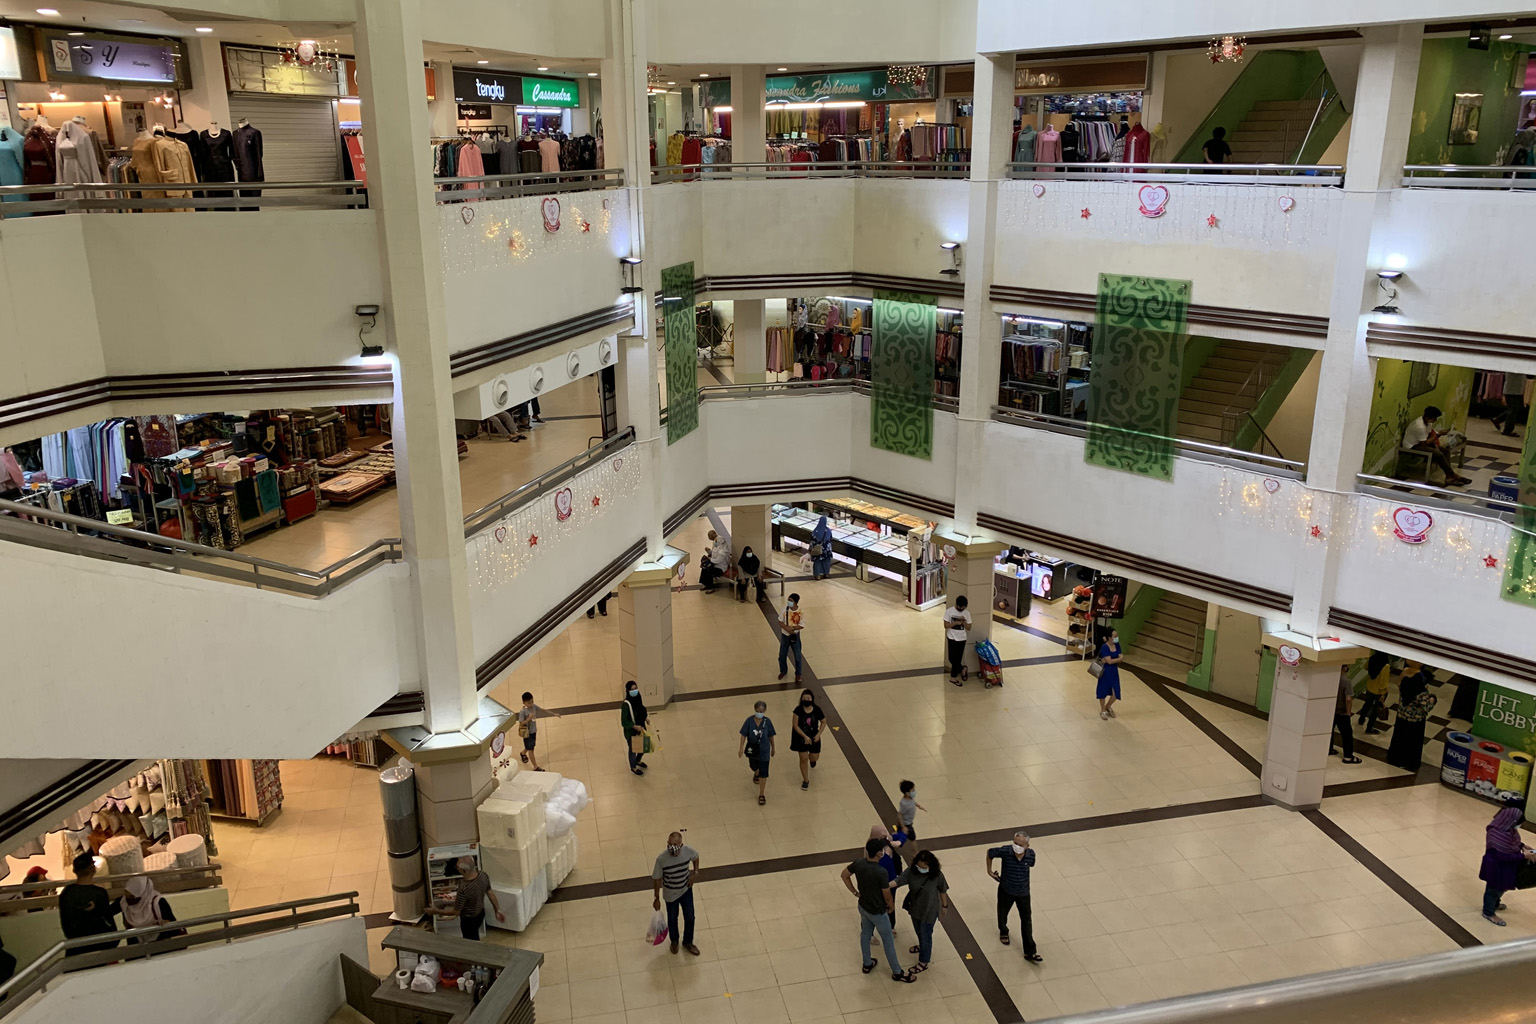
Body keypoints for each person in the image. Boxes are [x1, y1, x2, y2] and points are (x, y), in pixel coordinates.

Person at [841, 838, 917, 983]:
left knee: (865, 934)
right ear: (879, 854)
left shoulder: (858, 863)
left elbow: (844, 875)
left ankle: (867, 963)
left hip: (863, 906)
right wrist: (891, 906)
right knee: (888, 940)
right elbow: (886, 894)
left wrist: (856, 893)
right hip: (877, 912)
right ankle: (897, 972)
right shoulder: (881, 872)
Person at [890, 849, 949, 974]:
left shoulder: (937, 875)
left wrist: (945, 906)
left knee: (926, 935)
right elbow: (899, 880)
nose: (921, 868)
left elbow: (942, 890)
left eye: (924, 867)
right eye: (919, 866)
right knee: (919, 931)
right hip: (915, 908)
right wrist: (884, 885)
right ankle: (922, 946)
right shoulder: (912, 871)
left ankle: (924, 961)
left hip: (929, 911)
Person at [987, 830, 1042, 963]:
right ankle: (1003, 930)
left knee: (1027, 921)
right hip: (1006, 890)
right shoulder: (1006, 851)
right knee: (1002, 913)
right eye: (1015, 843)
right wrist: (989, 871)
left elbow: (1031, 865)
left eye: (1020, 844)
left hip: (1023, 893)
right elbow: (990, 853)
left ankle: (1030, 951)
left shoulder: (1031, 855)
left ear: (1027, 846)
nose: (1016, 846)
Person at [1479, 797, 1535, 926]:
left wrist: (1522, 846)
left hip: (1506, 867)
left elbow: (1513, 842)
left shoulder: (1508, 829)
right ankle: (1488, 912)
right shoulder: (1497, 834)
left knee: (1502, 888)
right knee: (1493, 890)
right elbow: (1503, 856)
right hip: (1497, 867)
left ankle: (1495, 904)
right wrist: (1523, 857)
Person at [429, 855, 504, 940]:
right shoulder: (483, 875)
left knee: (471, 940)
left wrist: (436, 911)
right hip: (480, 913)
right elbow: (490, 893)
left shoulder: (464, 888)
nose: (457, 869)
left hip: (469, 920)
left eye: (458, 867)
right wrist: (497, 909)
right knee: (475, 934)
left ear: (464, 870)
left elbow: (456, 912)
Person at [58, 852, 119, 957]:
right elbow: (108, 921)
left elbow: (66, 923)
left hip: (75, 947)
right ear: (92, 869)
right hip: (99, 946)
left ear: (75, 870)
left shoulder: (67, 892)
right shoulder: (99, 893)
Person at [651, 832, 701, 955]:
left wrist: (695, 873)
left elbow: (696, 857)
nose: (672, 847)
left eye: (675, 844)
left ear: (681, 844)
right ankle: (674, 941)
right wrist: (656, 898)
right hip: (670, 893)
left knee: (690, 917)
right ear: (667, 843)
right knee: (672, 918)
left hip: (685, 890)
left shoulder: (687, 851)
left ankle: (688, 941)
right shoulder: (662, 859)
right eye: (670, 844)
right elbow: (657, 879)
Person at [1403, 406, 1472, 486]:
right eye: (1434, 418)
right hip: (1412, 446)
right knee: (1438, 454)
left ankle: (1449, 476)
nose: (1435, 421)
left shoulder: (1427, 422)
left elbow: (1429, 435)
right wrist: (1438, 435)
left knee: (1445, 451)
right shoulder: (1419, 426)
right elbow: (1424, 444)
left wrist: (1436, 444)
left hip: (1422, 442)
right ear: (1428, 417)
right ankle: (1453, 475)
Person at [1387, 665, 1439, 771]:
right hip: (1415, 721)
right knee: (1412, 743)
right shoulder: (1421, 692)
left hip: (1401, 717)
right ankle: (1408, 762)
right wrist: (1433, 699)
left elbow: (1399, 683)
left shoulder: (1405, 684)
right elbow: (1427, 707)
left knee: (1399, 738)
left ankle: (1395, 758)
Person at [121, 875, 180, 944]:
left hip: (160, 944)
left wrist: (164, 923)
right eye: (127, 896)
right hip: (137, 947)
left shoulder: (158, 903)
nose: (129, 899)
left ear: (143, 893)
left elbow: (172, 923)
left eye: (132, 896)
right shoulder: (125, 903)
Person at [739, 700, 777, 804]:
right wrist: (741, 747)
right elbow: (743, 734)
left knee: (763, 773)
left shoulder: (767, 722)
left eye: (761, 711)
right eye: (757, 710)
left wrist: (773, 747)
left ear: (765, 711)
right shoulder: (749, 721)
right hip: (753, 750)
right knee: (753, 766)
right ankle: (756, 771)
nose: (759, 712)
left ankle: (761, 794)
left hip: (764, 752)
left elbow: (771, 735)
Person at [516, 691, 562, 771]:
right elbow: (521, 723)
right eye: (529, 702)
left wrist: (553, 714)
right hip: (527, 733)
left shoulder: (533, 706)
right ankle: (535, 767)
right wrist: (528, 719)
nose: (531, 704)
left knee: (531, 746)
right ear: (524, 702)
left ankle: (523, 753)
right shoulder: (522, 712)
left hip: (533, 731)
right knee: (531, 750)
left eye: (532, 701)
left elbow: (542, 709)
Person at [790, 688, 825, 790]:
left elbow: (824, 721)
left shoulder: (817, 710)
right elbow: (795, 725)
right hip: (801, 738)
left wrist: (818, 734)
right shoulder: (798, 710)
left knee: (813, 757)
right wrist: (804, 736)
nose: (806, 700)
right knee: (803, 759)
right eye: (804, 698)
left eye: (808, 698)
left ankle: (813, 761)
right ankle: (805, 780)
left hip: (814, 737)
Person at [1329, 673, 1363, 764]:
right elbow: (1348, 699)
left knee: (1329, 731)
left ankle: (1329, 749)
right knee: (1347, 735)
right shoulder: (1346, 681)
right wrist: (1348, 714)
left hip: (1331, 710)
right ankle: (1348, 756)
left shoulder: (1331, 677)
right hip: (1342, 712)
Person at [1357, 651, 1391, 734]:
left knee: (1367, 704)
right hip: (1379, 691)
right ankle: (1369, 728)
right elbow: (1383, 682)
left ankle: (1361, 719)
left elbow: (1366, 667)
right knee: (1375, 710)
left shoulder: (1372, 658)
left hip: (1370, 687)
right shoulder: (1385, 665)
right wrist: (1383, 693)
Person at [621, 680, 648, 776]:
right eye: (632, 689)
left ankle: (638, 760)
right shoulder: (626, 705)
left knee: (644, 746)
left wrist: (646, 718)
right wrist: (634, 726)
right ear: (628, 690)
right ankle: (633, 767)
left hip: (641, 728)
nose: (635, 691)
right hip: (632, 731)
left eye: (636, 688)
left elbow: (641, 709)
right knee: (633, 749)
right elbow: (624, 721)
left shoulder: (638, 697)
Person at [944, 596, 972, 686]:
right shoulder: (949, 611)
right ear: (957, 605)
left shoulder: (967, 613)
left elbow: (969, 628)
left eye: (963, 607)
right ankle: (963, 669)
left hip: (962, 638)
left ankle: (953, 677)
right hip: (951, 637)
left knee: (957, 659)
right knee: (951, 658)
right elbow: (945, 625)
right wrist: (955, 623)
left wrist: (963, 622)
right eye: (960, 607)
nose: (961, 609)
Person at [1097, 628, 1124, 720]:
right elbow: (1109, 661)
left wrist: (1114, 660)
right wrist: (1118, 659)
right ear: (1109, 638)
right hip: (1105, 672)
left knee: (1116, 692)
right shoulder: (1105, 647)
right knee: (1103, 690)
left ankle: (1108, 706)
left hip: (1114, 672)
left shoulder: (1117, 645)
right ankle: (1102, 710)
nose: (1117, 638)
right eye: (1115, 636)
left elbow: (1119, 657)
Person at [777, 593, 805, 682]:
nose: (789, 602)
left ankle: (798, 674)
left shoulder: (800, 612)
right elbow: (780, 621)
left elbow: (802, 625)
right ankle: (783, 671)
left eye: (791, 601)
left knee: (797, 656)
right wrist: (787, 628)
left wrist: (792, 628)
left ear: (796, 602)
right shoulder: (784, 610)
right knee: (782, 655)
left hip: (795, 636)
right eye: (788, 600)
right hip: (785, 636)